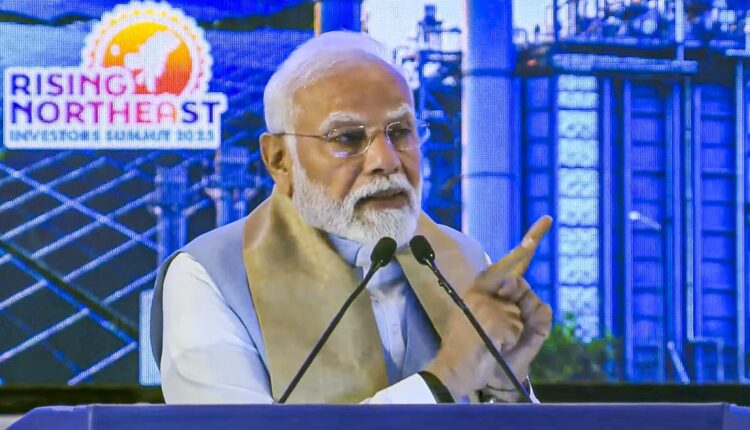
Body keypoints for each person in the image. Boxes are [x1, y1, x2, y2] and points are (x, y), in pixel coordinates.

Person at [150, 31, 552, 404]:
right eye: (348, 137)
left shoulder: (459, 259)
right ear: (279, 159)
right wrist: (446, 377)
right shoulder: (209, 276)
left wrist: (507, 386)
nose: (386, 161)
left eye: (400, 132)